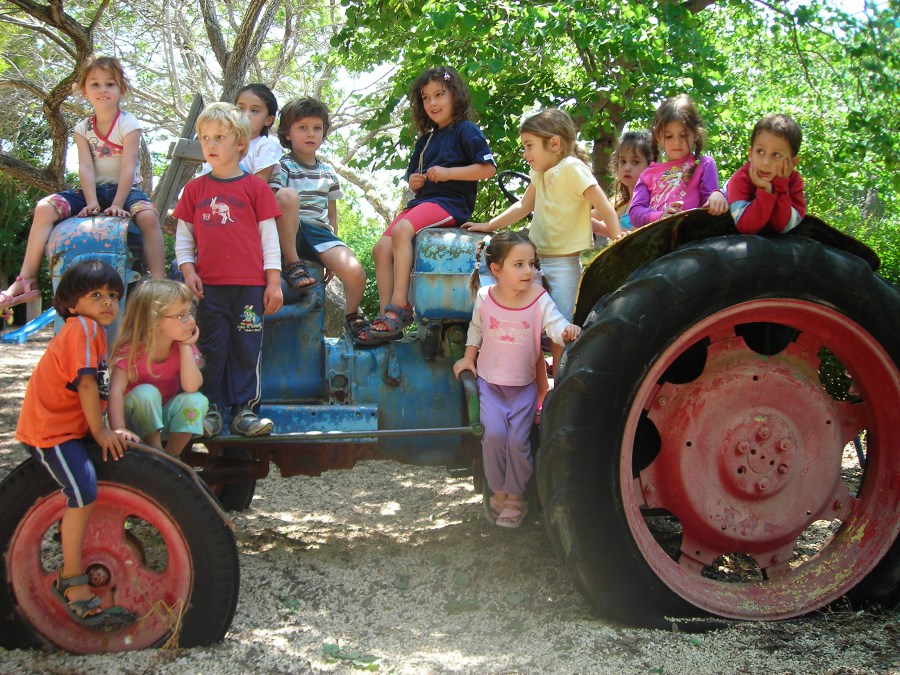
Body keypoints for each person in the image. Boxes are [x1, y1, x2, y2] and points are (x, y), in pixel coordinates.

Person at [15, 259, 138, 627]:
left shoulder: (93, 331)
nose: (107, 303)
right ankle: (70, 579)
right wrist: (100, 432)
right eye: (96, 295)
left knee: (88, 481)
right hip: (51, 432)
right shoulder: (81, 329)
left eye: (113, 295)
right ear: (71, 303)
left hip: (69, 427)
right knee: (83, 490)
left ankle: (68, 538)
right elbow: (86, 384)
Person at [464, 108, 619, 384]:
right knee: (529, 324)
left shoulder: (572, 168)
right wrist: (489, 226)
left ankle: (559, 381)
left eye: (529, 146)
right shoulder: (539, 174)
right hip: (535, 262)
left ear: (554, 143)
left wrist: (616, 234)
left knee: (559, 327)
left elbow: (602, 202)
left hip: (562, 264)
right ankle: (532, 383)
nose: (525, 154)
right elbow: (524, 206)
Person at [0, 55, 165, 310]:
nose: (103, 90)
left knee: (148, 217)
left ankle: (158, 281)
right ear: (83, 90)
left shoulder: (128, 123)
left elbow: (129, 165)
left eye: (110, 84)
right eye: (95, 84)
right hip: (93, 190)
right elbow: (86, 166)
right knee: (45, 207)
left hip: (126, 190)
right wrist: (90, 202)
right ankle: (27, 280)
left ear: (121, 88)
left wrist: (119, 203)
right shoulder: (83, 127)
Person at [452, 231, 581, 528]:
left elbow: (555, 323)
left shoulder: (538, 297)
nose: (529, 271)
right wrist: (469, 357)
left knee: (518, 444)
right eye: (519, 264)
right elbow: (476, 329)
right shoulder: (486, 297)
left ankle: (516, 497)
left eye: (532, 264)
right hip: (490, 384)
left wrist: (566, 331)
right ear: (496, 269)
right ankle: (497, 491)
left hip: (523, 389)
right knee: (495, 437)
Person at [173, 102, 283, 437]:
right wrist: (188, 271)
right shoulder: (194, 190)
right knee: (211, 347)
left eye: (219, 137)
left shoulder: (255, 188)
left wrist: (273, 282)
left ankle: (245, 411)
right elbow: (183, 239)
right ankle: (212, 410)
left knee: (246, 348)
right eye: (205, 137)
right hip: (210, 289)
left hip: (250, 288)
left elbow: (270, 240)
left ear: (240, 143)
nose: (210, 144)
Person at [370, 66, 496, 341]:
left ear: (455, 95)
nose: (433, 103)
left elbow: (487, 169)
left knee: (402, 231)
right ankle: (386, 317)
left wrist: (449, 173)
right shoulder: (425, 140)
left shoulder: (466, 130)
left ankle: (399, 307)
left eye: (439, 94)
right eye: (426, 98)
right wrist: (414, 181)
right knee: (381, 249)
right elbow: (413, 176)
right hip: (422, 203)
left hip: (450, 203)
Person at [267, 97, 372, 345]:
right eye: (302, 128)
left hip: (319, 233)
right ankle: (292, 262)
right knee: (285, 196)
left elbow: (331, 214)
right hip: (290, 229)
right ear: (288, 133)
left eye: (316, 128)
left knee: (356, 272)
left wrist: (334, 256)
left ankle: (352, 315)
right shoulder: (282, 166)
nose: (310, 134)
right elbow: (274, 202)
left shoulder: (328, 172)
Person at [108, 279, 209, 457]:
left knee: (196, 399)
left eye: (190, 312)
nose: (190, 320)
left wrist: (186, 347)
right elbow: (115, 391)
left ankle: (172, 457)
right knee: (147, 392)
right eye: (181, 316)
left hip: (160, 416)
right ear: (154, 320)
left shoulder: (182, 346)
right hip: (131, 418)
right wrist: (118, 429)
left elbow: (191, 386)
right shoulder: (132, 349)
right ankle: (156, 454)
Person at [628, 94, 728, 228]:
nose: (676, 142)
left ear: (696, 135)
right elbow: (635, 213)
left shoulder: (704, 164)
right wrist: (660, 216)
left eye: (684, 135)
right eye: (669, 136)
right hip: (655, 240)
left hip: (692, 238)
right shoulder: (648, 174)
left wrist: (719, 195)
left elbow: (710, 210)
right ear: (658, 137)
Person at [726, 114, 806, 235]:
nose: (766, 163)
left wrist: (780, 186)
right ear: (750, 153)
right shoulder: (741, 178)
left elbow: (782, 227)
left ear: (793, 162)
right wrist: (765, 190)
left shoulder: (794, 182)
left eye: (776, 155)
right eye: (760, 152)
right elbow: (747, 227)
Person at [198, 83, 283, 182]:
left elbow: (257, 187)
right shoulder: (222, 144)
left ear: (268, 120)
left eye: (254, 111)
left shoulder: (266, 146)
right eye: (241, 109)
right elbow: (202, 181)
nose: (246, 114)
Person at [609, 130, 652, 231]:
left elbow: (639, 234)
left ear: (650, 165)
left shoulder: (652, 200)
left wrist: (600, 228)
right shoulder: (620, 202)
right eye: (623, 161)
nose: (627, 168)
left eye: (635, 162)